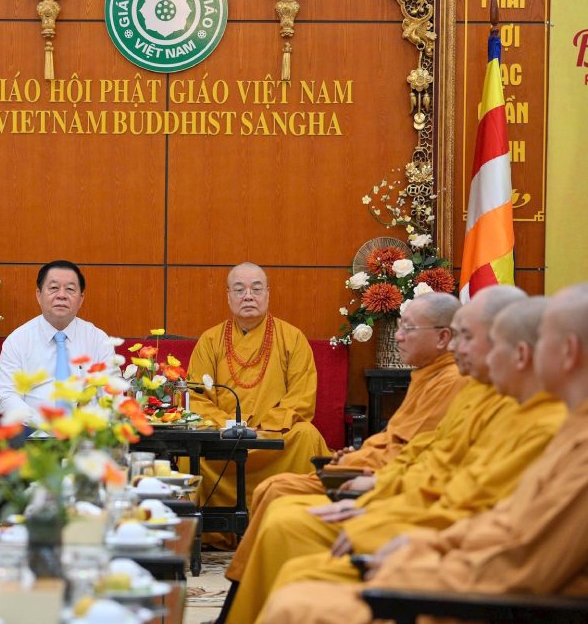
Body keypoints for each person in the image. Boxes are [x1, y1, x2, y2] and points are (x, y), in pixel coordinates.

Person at [260, 284, 588, 624]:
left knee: (296, 592)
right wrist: (414, 539)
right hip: (442, 550)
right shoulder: (565, 427)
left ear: (567, 352)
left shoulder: (557, 432)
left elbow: (518, 563)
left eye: (542, 340)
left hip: (464, 598)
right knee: (297, 577)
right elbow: (488, 509)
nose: (487, 358)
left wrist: (411, 558)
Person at [220, 292, 466, 614]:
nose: (398, 336)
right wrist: (359, 455)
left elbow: (432, 467)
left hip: (396, 499)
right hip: (379, 478)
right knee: (273, 491)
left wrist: (373, 479)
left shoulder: (454, 382)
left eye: (408, 328)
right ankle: (239, 607)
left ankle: (238, 610)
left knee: (279, 497)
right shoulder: (429, 376)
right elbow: (408, 446)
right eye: (239, 288)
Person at [186, 262, 329, 549]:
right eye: (239, 290)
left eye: (256, 289)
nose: (248, 296)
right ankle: (207, 532)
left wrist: (262, 428)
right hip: (223, 441)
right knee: (188, 452)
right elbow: (196, 397)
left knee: (307, 437)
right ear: (228, 297)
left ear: (268, 295)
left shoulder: (292, 338)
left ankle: (294, 527)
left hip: (274, 438)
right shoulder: (210, 341)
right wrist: (228, 426)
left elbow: (302, 395)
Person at [0, 260, 115, 422]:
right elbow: (7, 396)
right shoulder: (18, 340)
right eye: (53, 288)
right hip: (32, 433)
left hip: (86, 431)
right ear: (39, 295)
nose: (62, 295)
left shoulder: (98, 340)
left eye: (70, 289)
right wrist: (42, 426)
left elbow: (111, 392)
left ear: (81, 299)